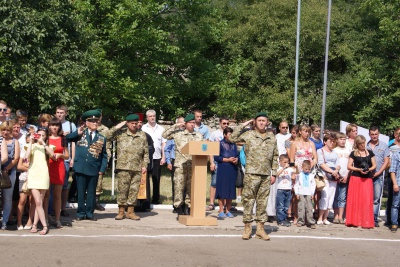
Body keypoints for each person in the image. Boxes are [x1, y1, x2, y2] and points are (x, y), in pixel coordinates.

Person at [230, 112, 278, 241]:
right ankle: (247, 227)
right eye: (259, 120)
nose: (262, 122)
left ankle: (260, 229)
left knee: (263, 202)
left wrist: (274, 173)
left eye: (264, 120)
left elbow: (275, 156)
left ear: (267, 122)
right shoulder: (249, 134)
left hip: (266, 174)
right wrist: (245, 124)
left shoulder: (271, 137)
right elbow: (232, 138)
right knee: (248, 200)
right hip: (252, 173)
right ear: (255, 122)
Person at [105, 114, 149, 220]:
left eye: (136, 123)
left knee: (134, 190)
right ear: (127, 123)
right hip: (123, 167)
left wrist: (144, 165)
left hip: (137, 167)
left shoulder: (142, 134)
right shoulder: (121, 133)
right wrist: (118, 126)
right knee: (122, 190)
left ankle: (130, 211)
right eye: (132, 123)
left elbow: (146, 152)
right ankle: (121, 211)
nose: (134, 125)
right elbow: (107, 136)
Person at [66, 110, 108, 221]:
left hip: (93, 168)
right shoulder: (80, 134)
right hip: (80, 167)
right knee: (80, 192)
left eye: (96, 121)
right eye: (92, 121)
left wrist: (102, 169)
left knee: (91, 193)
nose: (95, 123)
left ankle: (89, 213)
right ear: (87, 122)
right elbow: (67, 138)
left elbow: (104, 155)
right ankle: (80, 213)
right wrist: (77, 132)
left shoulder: (101, 138)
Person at [162, 113, 203, 215]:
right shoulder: (178, 134)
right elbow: (164, 135)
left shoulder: (198, 135)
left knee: (190, 188)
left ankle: (188, 206)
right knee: (179, 187)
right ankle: (178, 206)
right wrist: (176, 125)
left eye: (194, 123)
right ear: (186, 123)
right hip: (180, 165)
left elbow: (203, 148)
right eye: (190, 123)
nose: (192, 125)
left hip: (194, 165)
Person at [26, 127, 55, 235]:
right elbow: (26, 156)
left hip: (43, 176)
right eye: (39, 135)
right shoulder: (32, 146)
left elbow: (53, 155)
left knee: (40, 202)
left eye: (43, 135)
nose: (40, 137)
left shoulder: (47, 146)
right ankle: (44, 225)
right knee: (37, 202)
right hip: (33, 175)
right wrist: (31, 141)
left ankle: (35, 224)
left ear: (46, 136)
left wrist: (43, 142)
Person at [346, 135, 376, 228]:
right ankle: (354, 220)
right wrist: (358, 169)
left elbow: (374, 165)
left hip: (367, 178)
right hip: (356, 178)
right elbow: (349, 166)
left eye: (363, 143)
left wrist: (369, 169)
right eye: (360, 143)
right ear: (357, 144)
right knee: (355, 200)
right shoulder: (353, 153)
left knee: (366, 200)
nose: (362, 145)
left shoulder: (370, 152)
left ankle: (366, 221)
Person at [289, 124, 317, 225]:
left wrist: (310, 166)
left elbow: (315, 157)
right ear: (300, 132)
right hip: (298, 170)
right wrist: (293, 172)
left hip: (308, 170)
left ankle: (308, 217)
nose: (307, 133)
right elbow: (291, 159)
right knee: (297, 195)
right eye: (305, 131)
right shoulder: (295, 143)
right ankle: (296, 216)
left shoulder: (311, 143)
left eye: (308, 131)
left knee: (308, 194)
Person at [47, 118, 69, 228]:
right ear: (49, 126)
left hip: (59, 167)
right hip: (47, 166)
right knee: (46, 194)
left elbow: (67, 155)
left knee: (57, 195)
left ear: (59, 127)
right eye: (52, 125)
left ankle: (57, 219)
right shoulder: (45, 138)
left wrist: (60, 155)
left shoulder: (63, 138)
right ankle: (45, 217)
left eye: (57, 125)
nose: (54, 127)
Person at [267, 121, 291, 222]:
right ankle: (270, 213)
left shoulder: (289, 137)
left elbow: (289, 150)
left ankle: (286, 214)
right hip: (276, 164)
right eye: (283, 127)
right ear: (279, 128)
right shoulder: (275, 137)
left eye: (286, 127)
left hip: (286, 164)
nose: (285, 129)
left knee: (286, 189)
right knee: (274, 190)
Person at [55, 105, 76, 217]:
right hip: (53, 157)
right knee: (53, 184)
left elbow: (73, 143)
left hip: (65, 158)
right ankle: (53, 208)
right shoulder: (52, 123)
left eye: (62, 112)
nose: (59, 114)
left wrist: (72, 158)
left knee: (64, 184)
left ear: (66, 113)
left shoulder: (71, 125)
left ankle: (63, 208)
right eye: (58, 112)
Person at [141, 109, 166, 204]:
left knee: (156, 178)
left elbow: (164, 143)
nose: (152, 118)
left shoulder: (161, 129)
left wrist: (163, 157)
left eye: (154, 116)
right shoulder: (143, 128)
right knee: (145, 179)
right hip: (146, 158)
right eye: (150, 116)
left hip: (157, 157)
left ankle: (156, 199)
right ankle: (145, 199)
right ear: (147, 118)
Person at [367, 126, 390, 227]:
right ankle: (365, 218)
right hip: (366, 176)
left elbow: (386, 161)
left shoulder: (384, 146)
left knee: (376, 199)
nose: (374, 136)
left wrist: (379, 172)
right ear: (369, 134)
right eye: (372, 134)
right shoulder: (365, 145)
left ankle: (374, 219)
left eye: (376, 134)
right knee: (366, 198)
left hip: (378, 176)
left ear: (378, 134)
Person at [214, 127, 238, 219]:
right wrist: (227, 159)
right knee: (222, 189)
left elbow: (237, 155)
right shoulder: (220, 144)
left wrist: (236, 159)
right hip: (223, 168)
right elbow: (217, 157)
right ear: (225, 135)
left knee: (230, 189)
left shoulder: (234, 144)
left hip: (232, 169)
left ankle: (228, 210)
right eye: (229, 134)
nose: (231, 136)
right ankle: (221, 210)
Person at [316, 134, 340, 225]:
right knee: (325, 197)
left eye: (334, 141)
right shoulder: (320, 151)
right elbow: (321, 164)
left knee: (331, 197)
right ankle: (320, 217)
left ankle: (325, 218)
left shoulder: (335, 152)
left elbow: (338, 164)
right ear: (325, 142)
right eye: (330, 141)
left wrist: (336, 171)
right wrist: (331, 171)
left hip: (333, 176)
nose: (332, 143)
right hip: (324, 176)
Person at [207, 116, 230, 211]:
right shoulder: (214, 134)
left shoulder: (230, 134)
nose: (226, 125)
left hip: (227, 161)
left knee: (226, 183)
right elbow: (210, 149)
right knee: (214, 182)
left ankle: (226, 205)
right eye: (224, 123)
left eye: (227, 123)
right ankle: (211, 203)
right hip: (217, 160)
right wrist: (211, 162)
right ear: (220, 123)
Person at [0, 121, 20, 230]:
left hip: (9, 172)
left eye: (8, 130)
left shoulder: (14, 141)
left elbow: (16, 158)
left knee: (7, 198)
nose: (5, 132)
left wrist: (6, 169)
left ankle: (5, 221)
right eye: (3, 129)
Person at [164, 116, 185, 213]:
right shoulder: (173, 135)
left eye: (184, 122)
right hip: (174, 160)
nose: (183, 124)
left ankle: (184, 204)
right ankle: (176, 205)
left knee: (185, 185)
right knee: (176, 184)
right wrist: (168, 162)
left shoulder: (187, 134)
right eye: (181, 123)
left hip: (185, 161)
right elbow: (167, 149)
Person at [16, 133, 35, 230]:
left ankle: (30, 221)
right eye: (29, 139)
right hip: (24, 177)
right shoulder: (24, 150)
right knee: (22, 200)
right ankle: (19, 222)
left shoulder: (37, 149)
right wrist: (31, 168)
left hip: (35, 178)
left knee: (32, 201)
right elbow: (20, 166)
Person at [332, 132, 351, 224]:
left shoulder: (348, 150)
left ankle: (341, 216)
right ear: (336, 140)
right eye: (341, 139)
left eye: (344, 139)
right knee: (335, 197)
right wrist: (337, 175)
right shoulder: (334, 150)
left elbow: (350, 164)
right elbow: (333, 164)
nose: (343, 141)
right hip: (336, 176)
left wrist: (347, 175)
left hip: (346, 176)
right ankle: (335, 215)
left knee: (342, 197)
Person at [94, 109, 111, 211]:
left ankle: (96, 201)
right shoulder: (87, 128)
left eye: (99, 116)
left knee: (99, 181)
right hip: (89, 159)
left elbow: (107, 147)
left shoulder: (105, 130)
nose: (97, 118)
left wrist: (106, 160)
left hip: (100, 159)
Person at [294, 160, 316, 229]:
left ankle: (310, 222)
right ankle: (300, 221)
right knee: (301, 207)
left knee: (309, 208)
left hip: (309, 193)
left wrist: (312, 193)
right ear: (302, 167)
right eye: (306, 169)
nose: (307, 170)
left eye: (309, 169)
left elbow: (313, 185)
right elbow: (296, 184)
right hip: (301, 193)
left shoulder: (311, 176)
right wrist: (296, 193)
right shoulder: (299, 175)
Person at [275, 154, 296, 227]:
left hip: (288, 189)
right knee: (280, 206)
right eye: (285, 162)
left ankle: (284, 218)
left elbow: (297, 173)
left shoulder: (289, 169)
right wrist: (283, 168)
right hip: (281, 189)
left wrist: (295, 167)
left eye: (287, 162)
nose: (286, 164)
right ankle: (280, 220)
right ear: (280, 162)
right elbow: (276, 174)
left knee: (286, 206)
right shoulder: (279, 168)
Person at [387, 127, 400, 226]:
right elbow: (391, 167)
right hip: (395, 178)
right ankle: (391, 221)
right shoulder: (392, 147)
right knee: (393, 201)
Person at [389, 143, 400, 233]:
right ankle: (394, 223)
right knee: (395, 205)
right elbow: (392, 171)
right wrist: (395, 184)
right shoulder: (396, 155)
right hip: (398, 183)